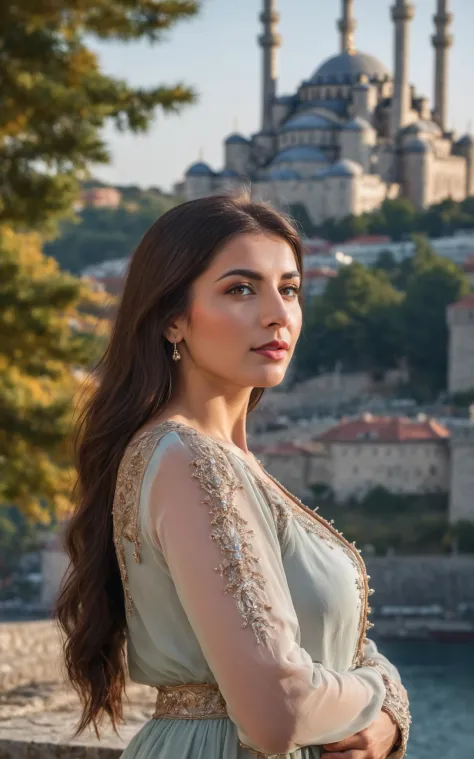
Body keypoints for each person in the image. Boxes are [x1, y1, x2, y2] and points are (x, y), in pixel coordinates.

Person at [56, 194, 410, 759]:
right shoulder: (191, 462)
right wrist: (387, 694)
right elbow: (277, 711)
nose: (278, 313)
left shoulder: (223, 462)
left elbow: (335, 650)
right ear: (173, 319)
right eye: (240, 289)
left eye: (289, 289)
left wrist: (385, 720)